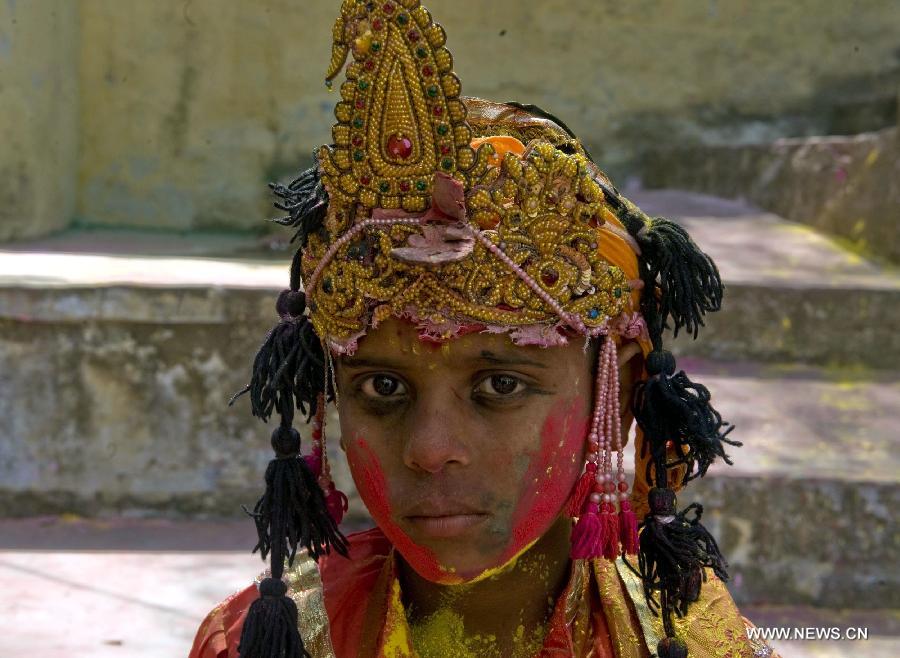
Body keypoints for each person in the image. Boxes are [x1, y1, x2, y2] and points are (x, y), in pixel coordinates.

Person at [191, 2, 777, 656]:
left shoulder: (702, 642)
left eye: (500, 383)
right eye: (382, 387)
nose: (430, 449)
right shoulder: (255, 642)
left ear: (622, 389)